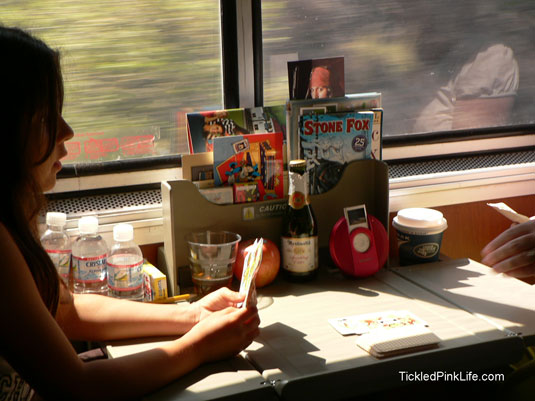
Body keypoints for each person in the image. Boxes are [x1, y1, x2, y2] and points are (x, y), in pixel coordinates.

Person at [0, 26, 260, 401]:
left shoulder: (15, 219)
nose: (67, 132)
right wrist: (198, 347)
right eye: (45, 119)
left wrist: (191, 315)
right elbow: (78, 387)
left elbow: (66, 311)